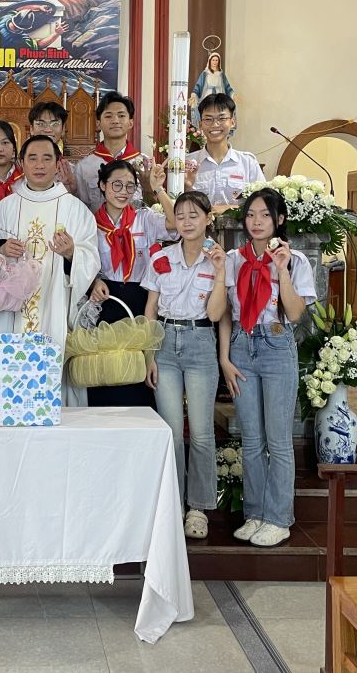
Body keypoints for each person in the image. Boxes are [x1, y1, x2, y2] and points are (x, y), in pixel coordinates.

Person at [220, 187, 317, 549]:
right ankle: (256, 514)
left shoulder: (295, 260)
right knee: (251, 439)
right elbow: (225, 312)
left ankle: (278, 518)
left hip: (277, 343)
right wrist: (225, 358)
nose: (256, 222)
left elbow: (296, 313)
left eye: (264, 215)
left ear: (280, 219)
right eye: (250, 215)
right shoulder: (234, 259)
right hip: (242, 345)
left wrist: (281, 270)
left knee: (278, 440)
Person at [0, 134, 99, 405]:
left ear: (58, 164)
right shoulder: (6, 207)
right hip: (11, 312)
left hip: (55, 303)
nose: (39, 165)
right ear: (21, 163)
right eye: (32, 158)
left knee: (52, 376)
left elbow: (91, 258)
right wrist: (1, 248)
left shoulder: (75, 208)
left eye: (47, 158)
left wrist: (71, 254)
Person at [142, 190, 227, 540]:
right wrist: (148, 354)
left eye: (194, 215)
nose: (187, 222)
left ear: (208, 218)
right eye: (180, 216)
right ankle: (173, 503)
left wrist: (220, 273)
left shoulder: (219, 259)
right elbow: (150, 308)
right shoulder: (161, 257)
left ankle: (198, 508)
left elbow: (216, 314)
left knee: (203, 432)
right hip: (164, 342)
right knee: (172, 431)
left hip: (200, 341)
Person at [86, 160, 176, 408]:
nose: (123, 192)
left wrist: (158, 189)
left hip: (140, 300)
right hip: (105, 299)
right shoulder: (89, 223)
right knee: (106, 368)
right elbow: (82, 260)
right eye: (116, 184)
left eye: (129, 186)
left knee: (137, 369)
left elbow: (175, 223)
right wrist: (93, 281)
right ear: (102, 185)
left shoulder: (144, 218)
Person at [72, 92, 148, 213]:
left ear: (131, 123)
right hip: (96, 225)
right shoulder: (84, 167)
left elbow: (153, 206)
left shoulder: (145, 164)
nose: (115, 120)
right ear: (98, 124)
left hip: (136, 225)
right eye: (108, 116)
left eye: (121, 115)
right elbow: (80, 209)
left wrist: (149, 189)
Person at [188, 93, 263, 213]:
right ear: (200, 124)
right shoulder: (188, 163)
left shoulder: (248, 162)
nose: (215, 124)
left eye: (222, 118)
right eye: (208, 119)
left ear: (233, 122)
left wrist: (228, 209)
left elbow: (263, 204)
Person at [29, 100, 77, 189]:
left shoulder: (71, 170)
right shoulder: (19, 169)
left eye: (55, 124)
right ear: (31, 129)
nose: (48, 129)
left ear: (63, 129)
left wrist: (71, 190)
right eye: (41, 124)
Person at [188, 51, 234, 127]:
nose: (215, 62)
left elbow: (227, 87)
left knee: (220, 113)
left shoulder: (221, 74)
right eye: (213, 60)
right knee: (208, 113)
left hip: (220, 97)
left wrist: (233, 94)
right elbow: (198, 86)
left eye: (216, 60)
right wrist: (194, 95)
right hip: (207, 96)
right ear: (210, 61)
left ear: (219, 62)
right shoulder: (205, 74)